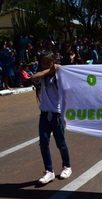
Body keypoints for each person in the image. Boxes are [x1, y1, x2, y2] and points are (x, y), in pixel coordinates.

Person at [30, 50, 72, 184]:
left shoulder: (60, 77)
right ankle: (49, 171)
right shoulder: (42, 76)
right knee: (43, 143)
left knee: (61, 143)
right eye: (43, 62)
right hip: (44, 114)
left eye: (48, 62)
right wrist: (48, 71)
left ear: (54, 62)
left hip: (57, 114)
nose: (45, 65)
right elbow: (33, 78)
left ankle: (67, 166)